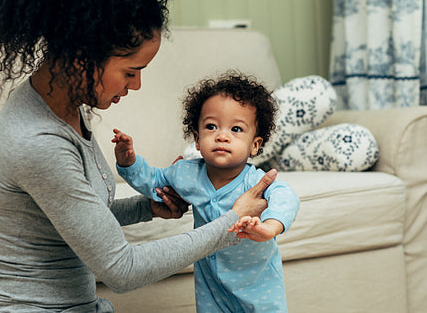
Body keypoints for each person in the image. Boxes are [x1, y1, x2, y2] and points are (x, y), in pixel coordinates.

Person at [0, 0, 277, 312]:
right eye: (131, 71)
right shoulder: (37, 143)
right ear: (82, 57)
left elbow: (75, 215)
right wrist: (232, 221)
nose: (137, 85)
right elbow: (122, 269)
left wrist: (147, 208)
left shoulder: (67, 104)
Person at [113, 72, 300, 312]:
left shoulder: (255, 183)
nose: (222, 135)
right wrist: (129, 163)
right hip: (211, 287)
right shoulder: (186, 173)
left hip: (258, 286)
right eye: (211, 126)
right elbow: (155, 182)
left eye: (236, 129)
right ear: (197, 140)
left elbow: (286, 196)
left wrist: (270, 227)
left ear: (255, 144)